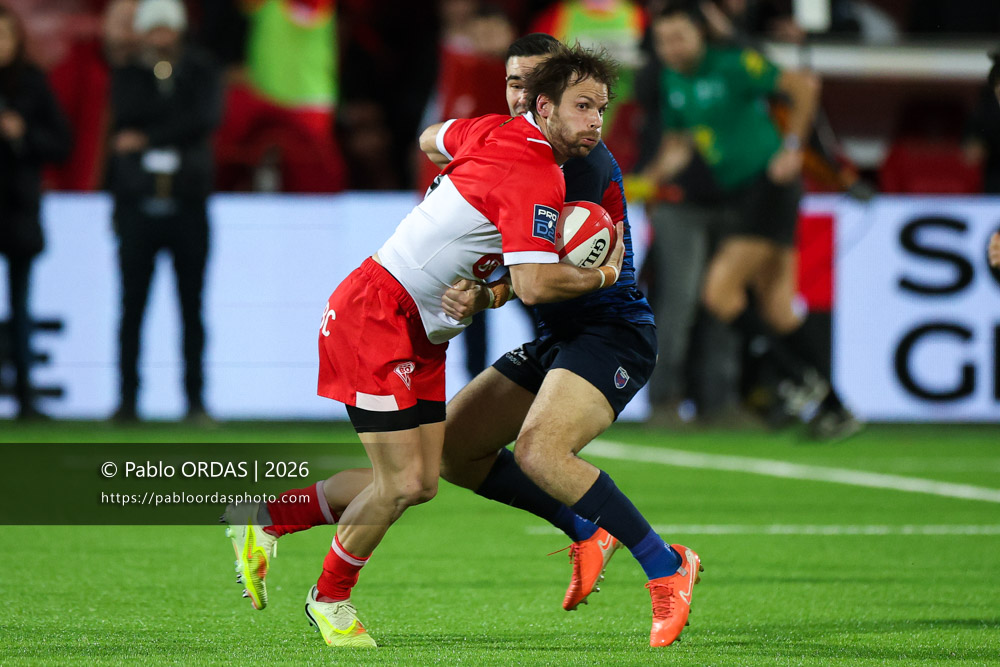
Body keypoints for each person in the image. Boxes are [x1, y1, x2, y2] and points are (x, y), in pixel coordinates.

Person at [227, 37, 702, 650]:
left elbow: (437, 147)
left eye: (598, 108)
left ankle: (657, 563)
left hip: (599, 332)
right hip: (386, 317)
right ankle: (319, 584)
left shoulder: (561, 162)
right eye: (515, 84)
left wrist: (486, 278)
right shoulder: (516, 151)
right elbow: (526, 271)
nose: (593, 121)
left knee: (437, 474)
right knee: (421, 476)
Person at [637, 2, 858, 440]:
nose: (671, 48)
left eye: (679, 37)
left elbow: (803, 85)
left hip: (767, 187)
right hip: (744, 194)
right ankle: (834, 405)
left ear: (701, 35)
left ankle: (796, 380)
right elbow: (679, 146)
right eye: (663, 40)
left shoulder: (734, 64)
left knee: (719, 293)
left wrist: (793, 147)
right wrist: (643, 182)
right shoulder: (673, 80)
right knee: (777, 306)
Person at [108, 0, 221, 422]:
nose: (159, 38)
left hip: (189, 203)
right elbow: (127, 116)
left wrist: (147, 137)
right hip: (136, 203)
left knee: (191, 306)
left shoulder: (201, 69)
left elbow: (205, 118)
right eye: (151, 29)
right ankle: (126, 400)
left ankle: (195, 401)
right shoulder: (128, 72)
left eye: (165, 29)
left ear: (178, 30)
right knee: (131, 305)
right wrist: (174, 128)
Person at [0, 4, 72, 420]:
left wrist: (22, 134)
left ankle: (26, 399)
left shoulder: (32, 83)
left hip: (19, 209)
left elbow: (61, 144)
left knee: (21, 306)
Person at [47, 0, 139, 192]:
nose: (130, 32)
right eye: (123, 22)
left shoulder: (152, 71)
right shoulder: (74, 68)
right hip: (81, 183)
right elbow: (53, 124)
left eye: (137, 23)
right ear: (104, 23)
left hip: (134, 186)